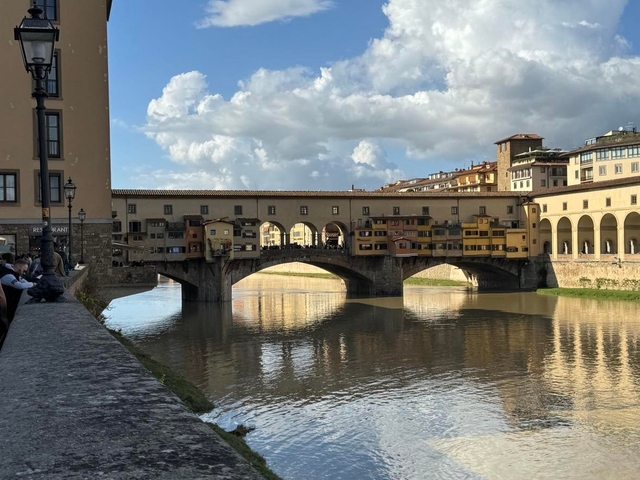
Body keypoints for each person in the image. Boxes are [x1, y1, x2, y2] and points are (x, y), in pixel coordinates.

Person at [0, 259, 34, 323]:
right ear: (19, 266)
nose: (24, 273)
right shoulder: (8, 276)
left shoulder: (13, 273)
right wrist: (34, 284)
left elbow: (24, 282)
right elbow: (19, 286)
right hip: (7, 303)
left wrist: (30, 284)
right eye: (24, 270)